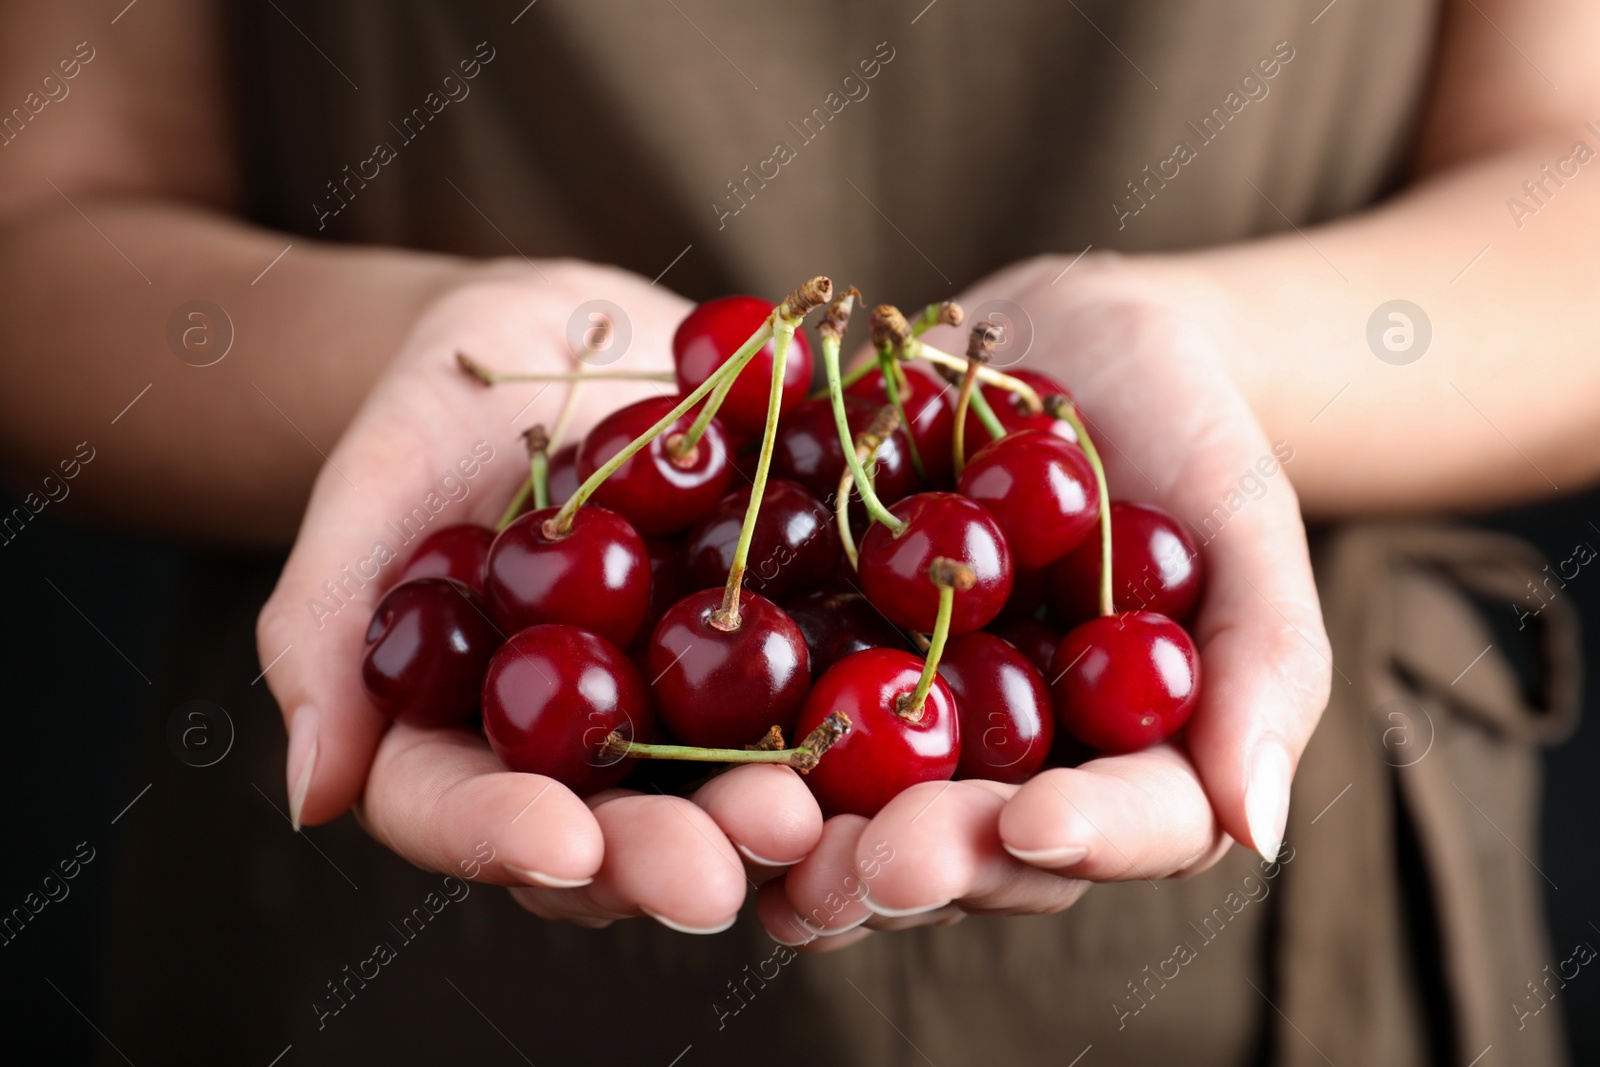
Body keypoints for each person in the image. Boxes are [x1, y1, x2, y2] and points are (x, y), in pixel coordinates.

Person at [0, 0, 1591, 1063]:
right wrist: (429, 349)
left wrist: (1203, 355)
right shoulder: (627, 570)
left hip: (1292, 972)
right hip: (392, 973)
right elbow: (39, 231)